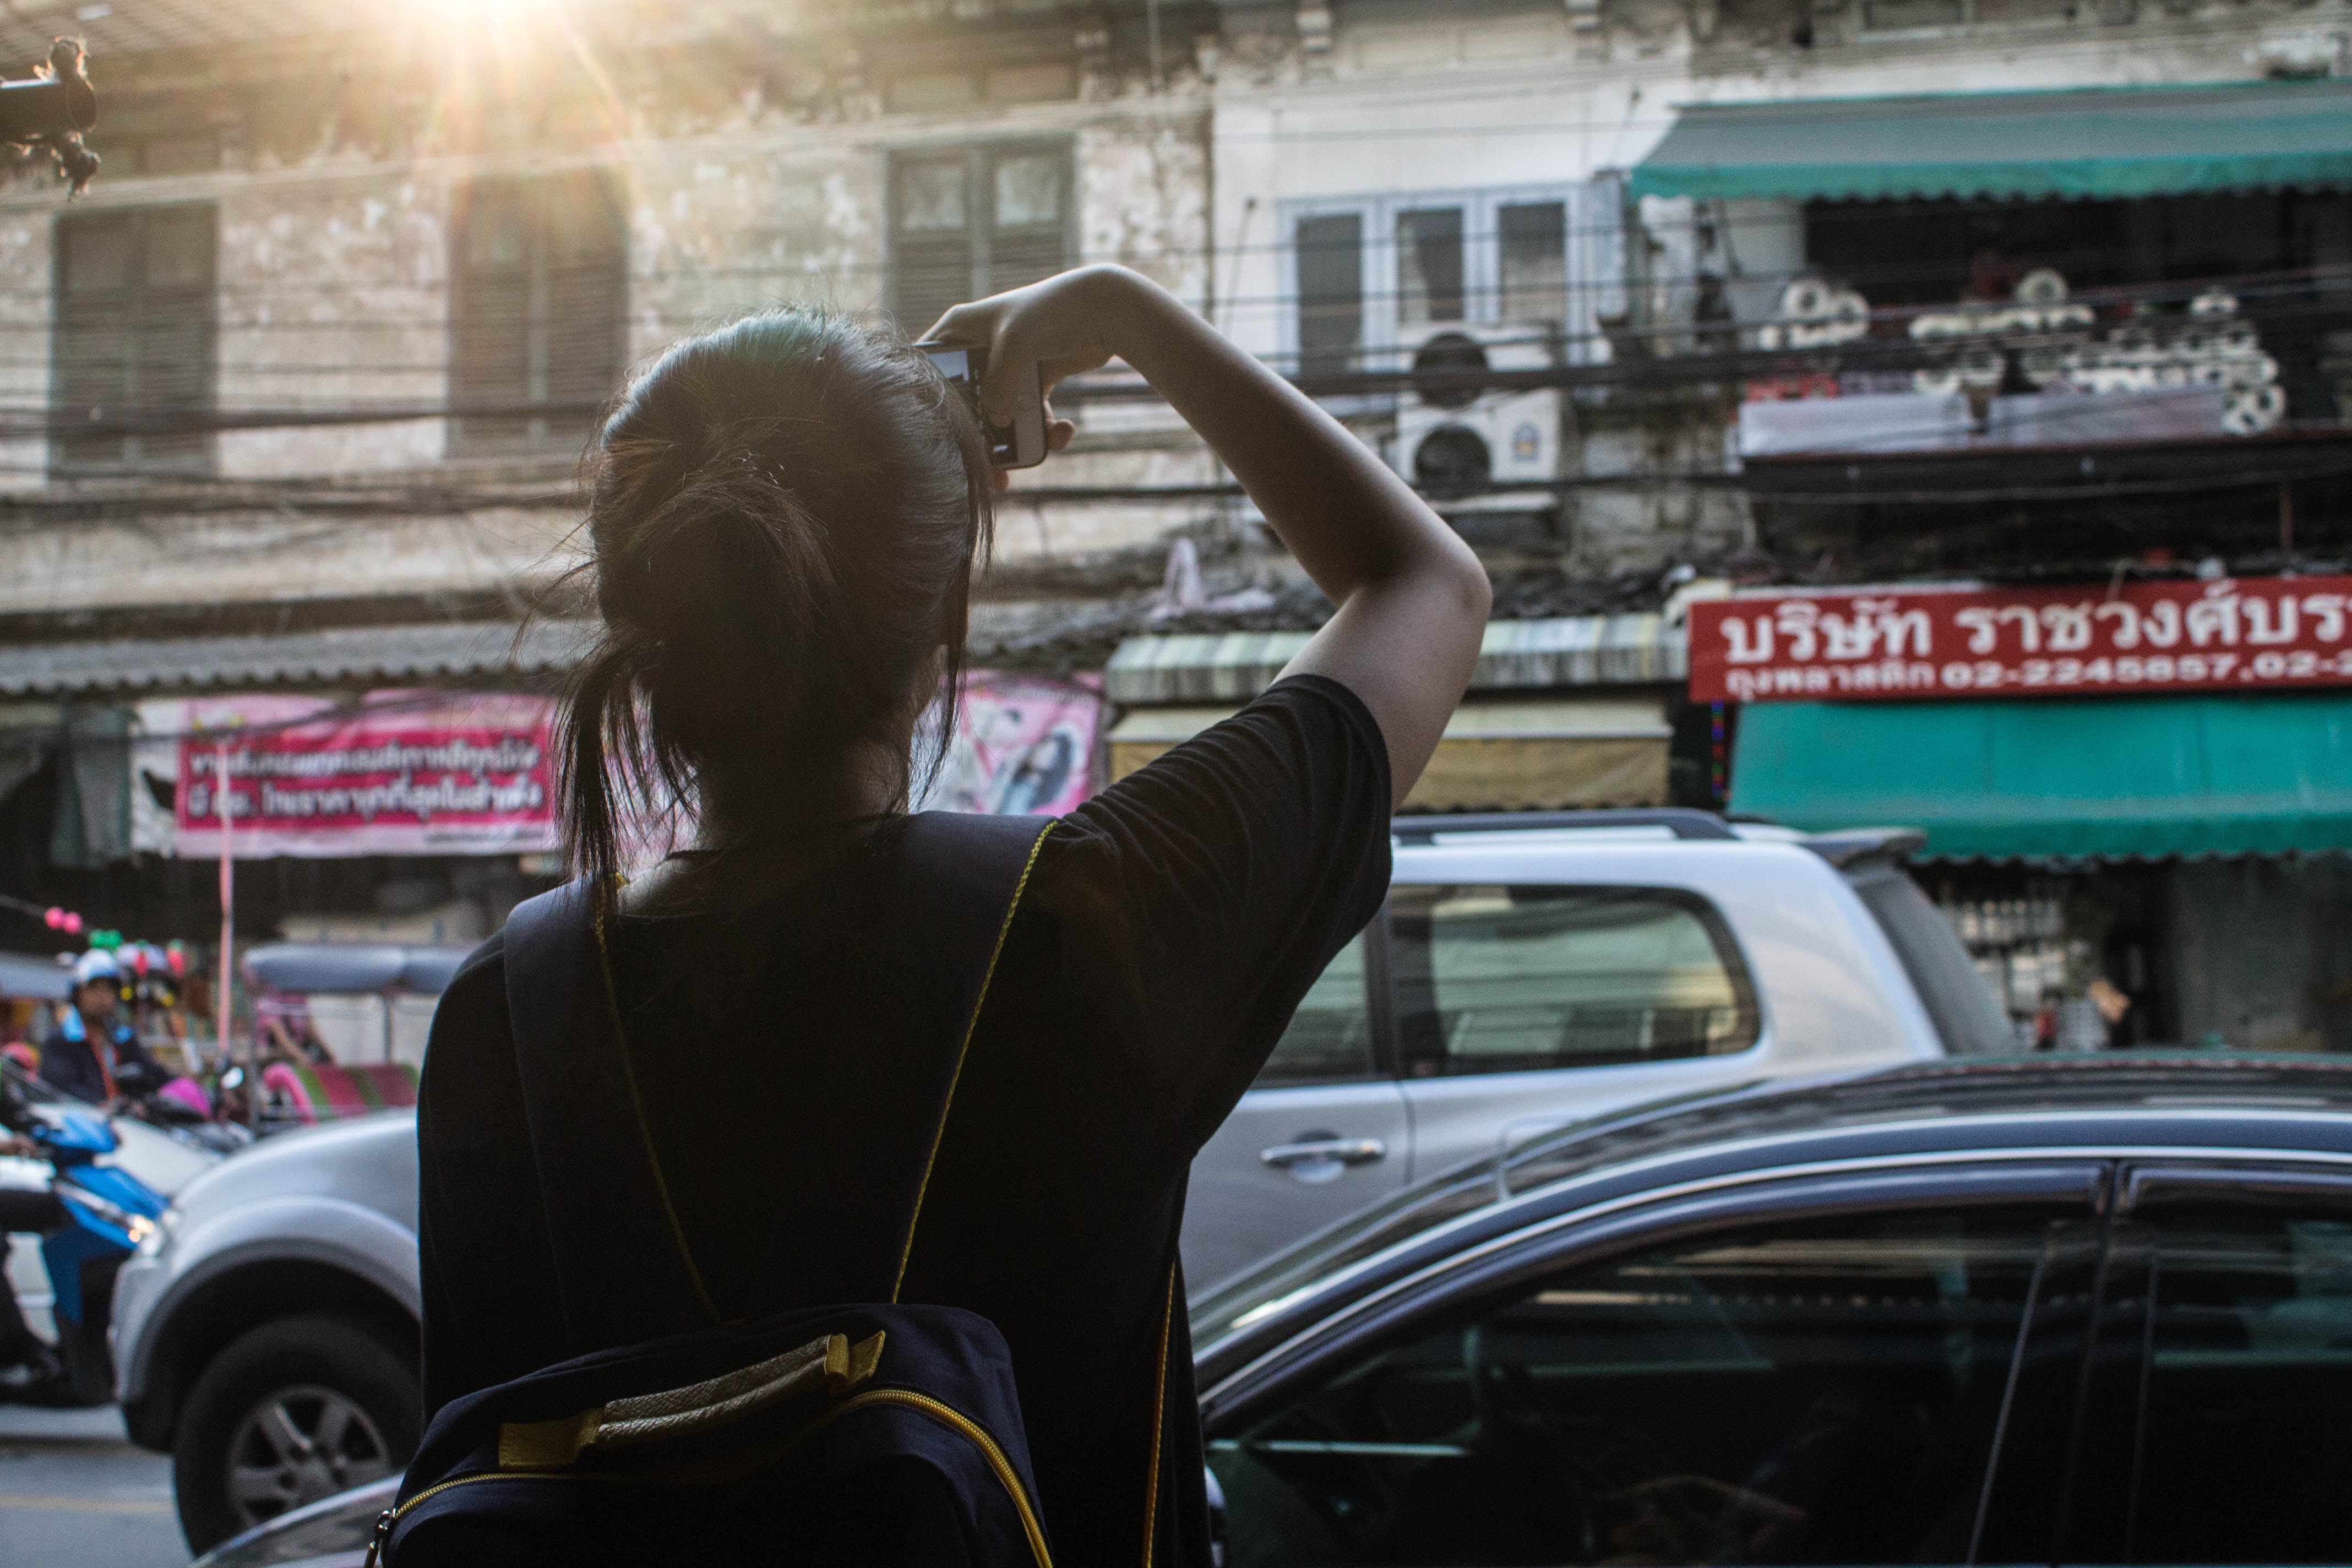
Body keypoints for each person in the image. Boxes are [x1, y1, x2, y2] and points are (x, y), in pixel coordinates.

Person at [418, 265, 1490, 1566]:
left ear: (644, 637)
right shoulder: (1089, 925)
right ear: (936, 642)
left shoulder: (500, 1013)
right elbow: (1425, 581)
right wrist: (1119, 314)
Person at [39, 951, 162, 1108]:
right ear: (78, 993)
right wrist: (104, 1106)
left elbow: (153, 1074)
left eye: (108, 989)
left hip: (131, 1128)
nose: (102, 996)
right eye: (94, 988)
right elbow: (63, 1088)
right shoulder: (61, 1042)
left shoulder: (124, 1039)